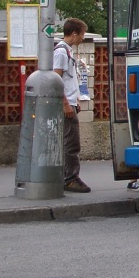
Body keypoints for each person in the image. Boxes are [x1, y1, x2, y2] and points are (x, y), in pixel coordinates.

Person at [53, 18, 90, 193]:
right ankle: (71, 178)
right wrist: (66, 104)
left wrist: (76, 100)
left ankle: (67, 176)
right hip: (66, 104)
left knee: (69, 142)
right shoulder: (61, 52)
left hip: (71, 102)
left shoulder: (67, 51)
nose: (82, 38)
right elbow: (56, 79)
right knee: (72, 143)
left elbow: (69, 80)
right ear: (74, 34)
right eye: (82, 34)